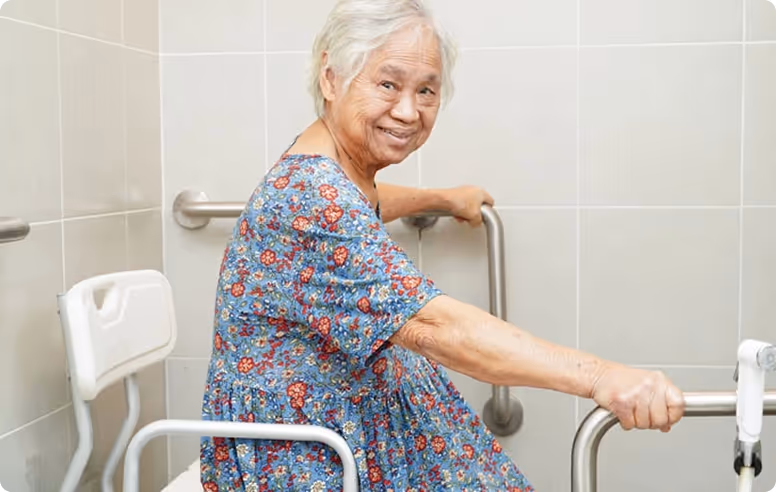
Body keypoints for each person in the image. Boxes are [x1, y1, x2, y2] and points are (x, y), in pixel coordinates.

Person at [199, 0, 686, 490]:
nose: (409, 110)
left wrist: (440, 199)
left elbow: (359, 202)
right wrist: (601, 377)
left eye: (426, 90)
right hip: (308, 458)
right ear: (331, 79)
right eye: (387, 84)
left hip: (341, 426)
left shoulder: (325, 166)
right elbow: (435, 327)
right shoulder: (313, 201)